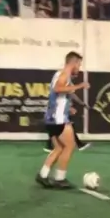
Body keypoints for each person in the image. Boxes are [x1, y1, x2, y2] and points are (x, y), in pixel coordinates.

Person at [36, 51, 89, 189]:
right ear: (74, 63)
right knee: (69, 146)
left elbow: (61, 94)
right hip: (58, 119)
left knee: (59, 148)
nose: (79, 68)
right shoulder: (64, 74)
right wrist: (80, 86)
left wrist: (69, 107)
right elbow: (58, 89)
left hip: (52, 118)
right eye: (79, 64)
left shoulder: (60, 74)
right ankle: (60, 179)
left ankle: (42, 175)